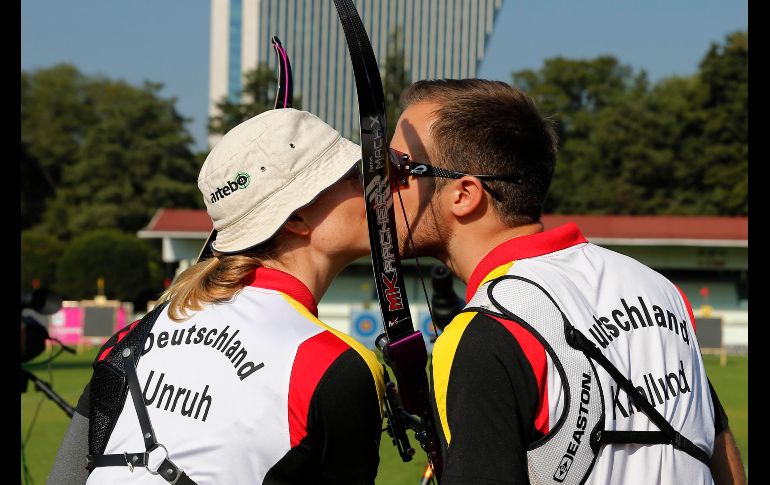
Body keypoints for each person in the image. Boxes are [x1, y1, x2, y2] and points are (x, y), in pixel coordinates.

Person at [387, 79, 745, 484]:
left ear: (465, 194)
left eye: (398, 168)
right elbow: (718, 443)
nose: (381, 187)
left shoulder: (487, 330)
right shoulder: (659, 289)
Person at [48, 108, 384, 485]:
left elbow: (65, 477)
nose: (371, 189)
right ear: (296, 219)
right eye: (353, 178)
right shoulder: (334, 365)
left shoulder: (132, 339)